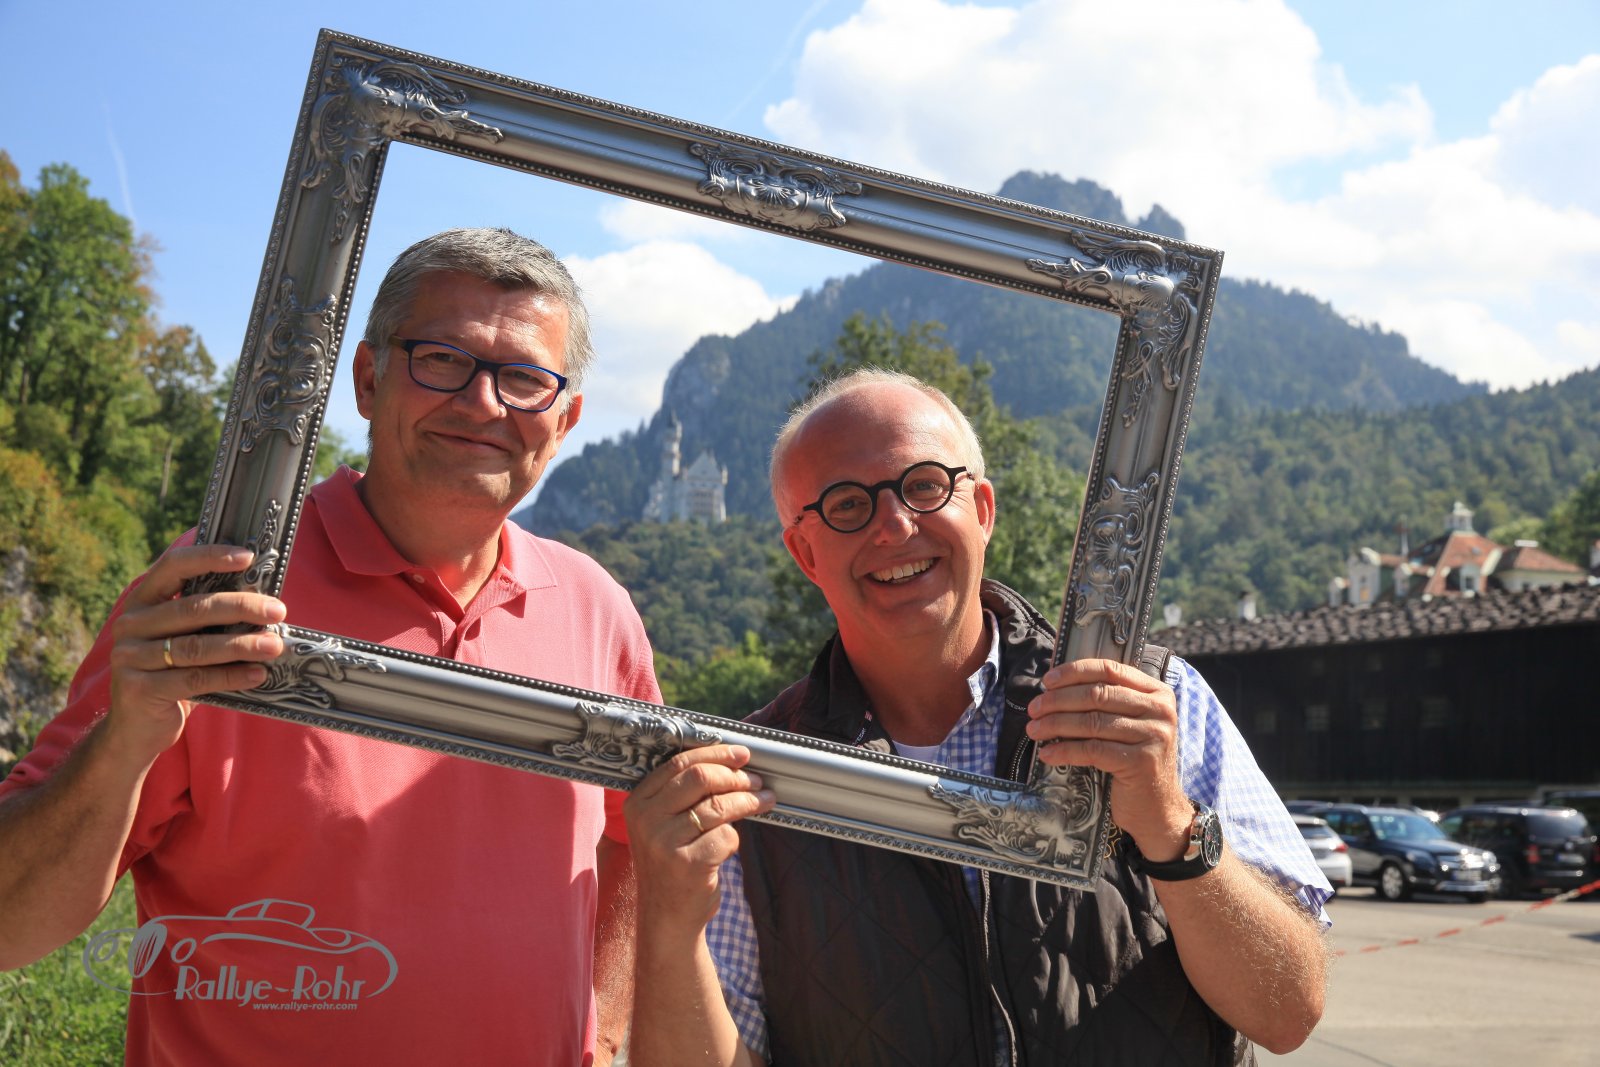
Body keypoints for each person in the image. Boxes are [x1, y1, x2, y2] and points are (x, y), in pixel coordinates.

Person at [0, 228, 655, 1065]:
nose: (484, 403)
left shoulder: (598, 610)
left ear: (563, 421)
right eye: (443, 360)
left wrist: (602, 1031)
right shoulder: (222, 585)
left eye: (525, 378)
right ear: (369, 379)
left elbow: (632, 838)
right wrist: (124, 741)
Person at [626, 368, 1331, 1066]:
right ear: (806, 553)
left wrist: (1169, 822)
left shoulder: (1151, 700)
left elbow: (1288, 1012)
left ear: (984, 510)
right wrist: (668, 920)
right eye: (847, 505)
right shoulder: (754, 784)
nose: (895, 525)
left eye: (925, 485)